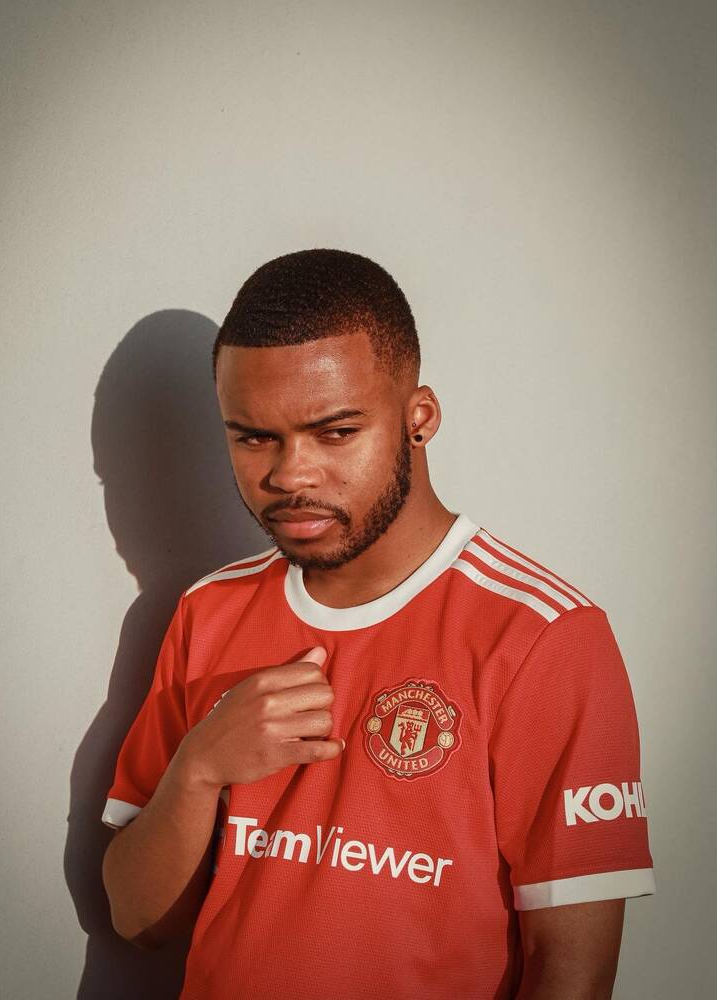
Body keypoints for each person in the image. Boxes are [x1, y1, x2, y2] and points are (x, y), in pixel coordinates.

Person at [101, 249, 655, 999]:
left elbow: (571, 968)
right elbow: (137, 919)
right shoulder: (209, 610)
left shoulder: (542, 636)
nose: (290, 475)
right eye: (254, 437)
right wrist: (197, 770)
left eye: (334, 432)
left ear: (418, 419)